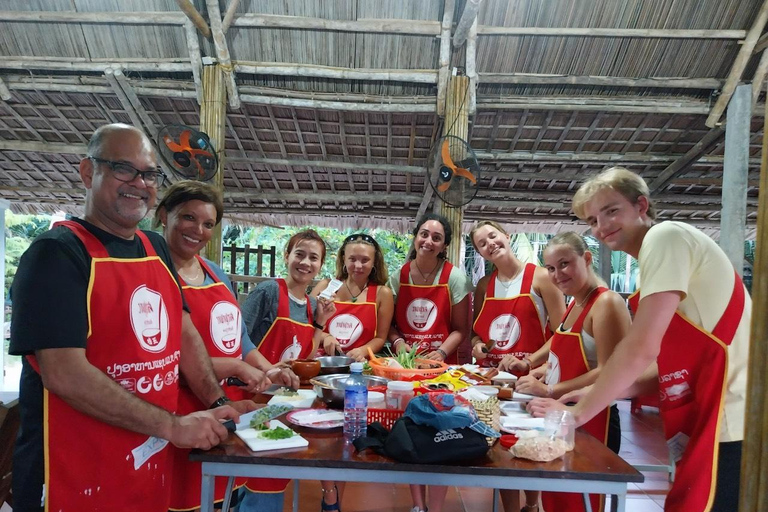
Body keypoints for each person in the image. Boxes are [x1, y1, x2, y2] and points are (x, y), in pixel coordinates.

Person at [8, 124, 253, 512]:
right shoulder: (56, 253)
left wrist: (219, 401)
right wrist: (173, 425)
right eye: (124, 168)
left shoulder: (154, 246)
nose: (139, 183)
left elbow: (184, 334)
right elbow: (64, 373)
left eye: (150, 173)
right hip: (74, 475)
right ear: (88, 172)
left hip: (146, 466)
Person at [530, 167, 749, 512]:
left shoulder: (667, 237)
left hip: (731, 415)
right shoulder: (655, 269)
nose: (601, 226)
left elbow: (640, 347)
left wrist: (577, 413)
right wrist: (600, 392)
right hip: (703, 413)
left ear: (641, 205)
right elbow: (667, 366)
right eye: (592, 220)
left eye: (611, 210)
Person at [155, 180, 296, 512]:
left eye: (207, 224)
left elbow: (240, 340)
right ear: (164, 215)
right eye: (188, 218)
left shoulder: (216, 273)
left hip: (228, 406)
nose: (198, 230)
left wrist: (269, 370)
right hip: (182, 410)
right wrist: (235, 367)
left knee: (224, 498)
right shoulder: (155, 273)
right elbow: (169, 359)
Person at [515, 232, 630, 512]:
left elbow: (609, 370)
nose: (557, 275)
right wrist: (534, 367)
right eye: (551, 268)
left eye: (564, 264)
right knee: (558, 497)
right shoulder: (574, 303)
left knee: (582, 501)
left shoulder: (606, 303)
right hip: (562, 415)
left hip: (594, 417)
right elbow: (560, 347)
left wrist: (551, 390)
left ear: (587, 258)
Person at [468, 220, 565, 512]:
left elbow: (563, 333)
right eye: (482, 244)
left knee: (531, 446)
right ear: (481, 253)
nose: (490, 244)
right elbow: (477, 332)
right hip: (497, 383)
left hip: (533, 381)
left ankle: (532, 505)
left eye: (493, 236)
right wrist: (477, 346)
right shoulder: (485, 285)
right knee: (499, 447)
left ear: (507, 236)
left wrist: (529, 361)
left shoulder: (541, 278)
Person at [239, 229, 336, 512]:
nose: (305, 262)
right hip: (250, 392)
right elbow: (237, 337)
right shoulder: (269, 291)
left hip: (280, 401)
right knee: (255, 474)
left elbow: (304, 360)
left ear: (321, 265)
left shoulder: (313, 305)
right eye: (300, 254)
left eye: (313, 258)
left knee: (270, 472)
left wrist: (320, 323)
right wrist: (267, 370)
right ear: (287, 256)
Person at [387, 213, 471, 512]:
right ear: (415, 237)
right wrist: (399, 343)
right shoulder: (400, 275)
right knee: (410, 427)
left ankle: (434, 507)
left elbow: (462, 328)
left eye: (436, 237)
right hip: (406, 366)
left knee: (439, 432)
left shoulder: (455, 277)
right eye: (424, 234)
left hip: (441, 369)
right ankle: (417, 505)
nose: (428, 241)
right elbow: (390, 324)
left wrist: (441, 353)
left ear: (444, 244)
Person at [310, 233, 394, 512]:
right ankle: (329, 492)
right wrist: (324, 340)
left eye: (365, 260)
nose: (358, 265)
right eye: (353, 259)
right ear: (343, 261)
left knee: (348, 433)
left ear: (374, 262)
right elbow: (310, 325)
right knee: (325, 433)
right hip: (325, 371)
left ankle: (338, 486)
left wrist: (364, 349)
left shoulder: (381, 293)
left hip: (359, 373)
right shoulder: (326, 286)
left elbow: (381, 337)